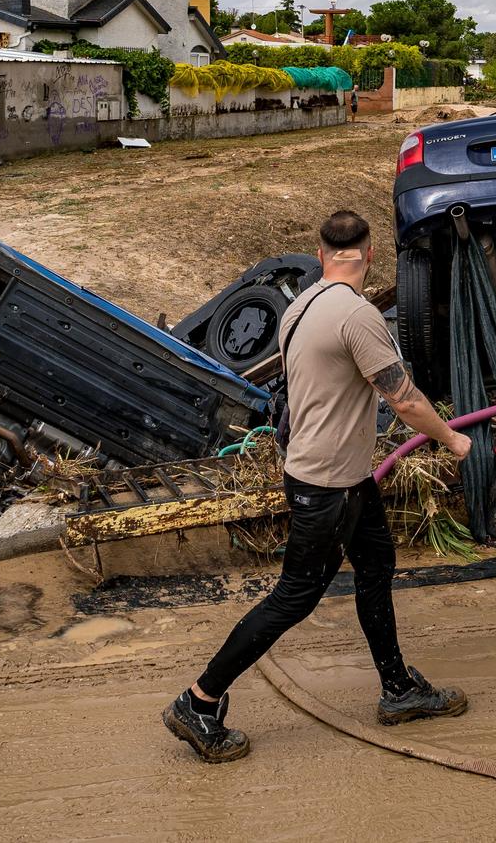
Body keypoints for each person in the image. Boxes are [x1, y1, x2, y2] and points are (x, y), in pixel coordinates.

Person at [165, 210, 473, 763]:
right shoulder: (357, 317)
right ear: (371, 253)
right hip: (327, 484)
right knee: (296, 595)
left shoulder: (298, 308)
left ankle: (398, 689)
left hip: (340, 477)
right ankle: (200, 699)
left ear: (322, 251)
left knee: (376, 565)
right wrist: (454, 442)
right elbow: (402, 399)